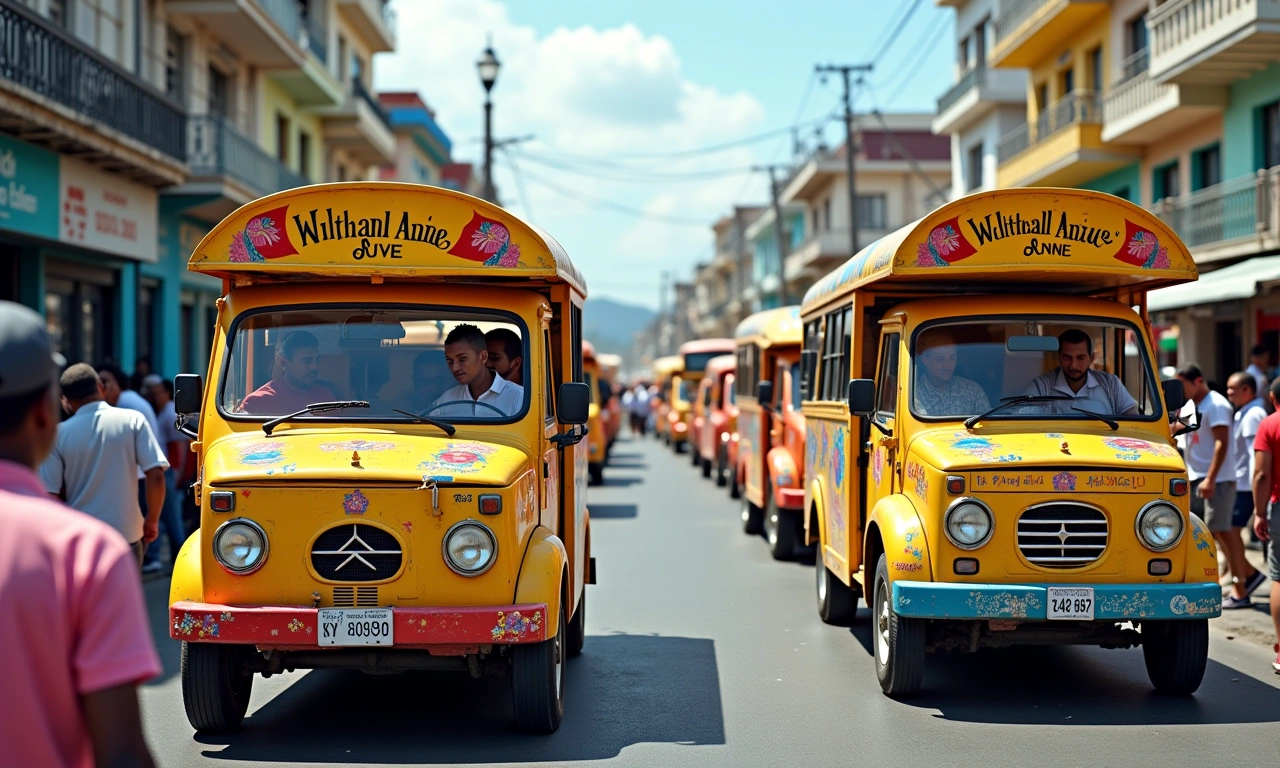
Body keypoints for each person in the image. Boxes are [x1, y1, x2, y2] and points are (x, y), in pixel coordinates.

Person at [0, 302, 160, 768]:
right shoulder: (83, 556)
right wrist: (151, 520)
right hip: (126, 533)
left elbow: (51, 491)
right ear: (46, 411)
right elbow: (122, 752)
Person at [40, 364, 169, 567]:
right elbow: (156, 475)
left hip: (81, 539)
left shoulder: (58, 435)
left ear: (65, 400)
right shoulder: (133, 421)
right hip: (127, 536)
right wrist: (152, 520)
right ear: (101, 387)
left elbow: (50, 495)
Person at [1177, 363, 1236, 548]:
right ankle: (1236, 574)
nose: (1181, 390)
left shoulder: (1216, 404)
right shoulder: (1191, 406)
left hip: (1216, 479)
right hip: (1197, 477)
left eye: (1183, 385)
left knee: (1220, 532)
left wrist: (1211, 478)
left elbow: (1222, 442)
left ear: (1198, 381)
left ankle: (1242, 576)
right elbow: (1177, 430)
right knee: (1206, 533)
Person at [1222, 372, 1267, 607]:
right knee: (1227, 531)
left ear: (1247, 390)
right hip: (1241, 484)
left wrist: (1255, 488)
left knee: (1229, 530)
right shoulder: (1247, 412)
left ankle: (1243, 584)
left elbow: (1254, 456)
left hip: (1245, 486)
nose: (1228, 393)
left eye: (1232, 389)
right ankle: (1247, 576)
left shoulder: (1253, 415)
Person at [1024, 329, 1138, 416]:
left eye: (1080, 358)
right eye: (1067, 358)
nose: (1073, 365)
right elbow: (1025, 420)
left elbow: (1134, 423)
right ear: (1059, 358)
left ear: (1091, 358)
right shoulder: (1041, 386)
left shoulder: (1111, 385)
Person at [141, 374, 189, 575]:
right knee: (167, 516)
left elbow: (179, 447)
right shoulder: (161, 411)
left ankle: (176, 558)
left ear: (167, 393)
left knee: (169, 516)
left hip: (169, 471)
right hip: (165, 471)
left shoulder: (169, 413)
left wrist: (178, 476)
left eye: (157, 393)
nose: (154, 396)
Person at [431, 324, 524, 418]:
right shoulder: (447, 399)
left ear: (483, 356)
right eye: (450, 361)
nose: (455, 368)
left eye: (462, 359)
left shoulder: (518, 397)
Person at [240, 330, 340, 414]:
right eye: (307, 361)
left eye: (317, 360)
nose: (314, 367)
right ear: (283, 362)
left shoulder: (326, 396)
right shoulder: (258, 402)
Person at [1252, 378, 1280, 673]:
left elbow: (1262, 475)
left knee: (1279, 576)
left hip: (1279, 504)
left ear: (1272, 397)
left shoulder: (1270, 424)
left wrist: (1259, 513)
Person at [913, 330, 990, 416]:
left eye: (952, 358)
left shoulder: (972, 391)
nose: (947, 365)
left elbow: (988, 426)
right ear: (925, 360)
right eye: (940, 359)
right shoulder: (913, 396)